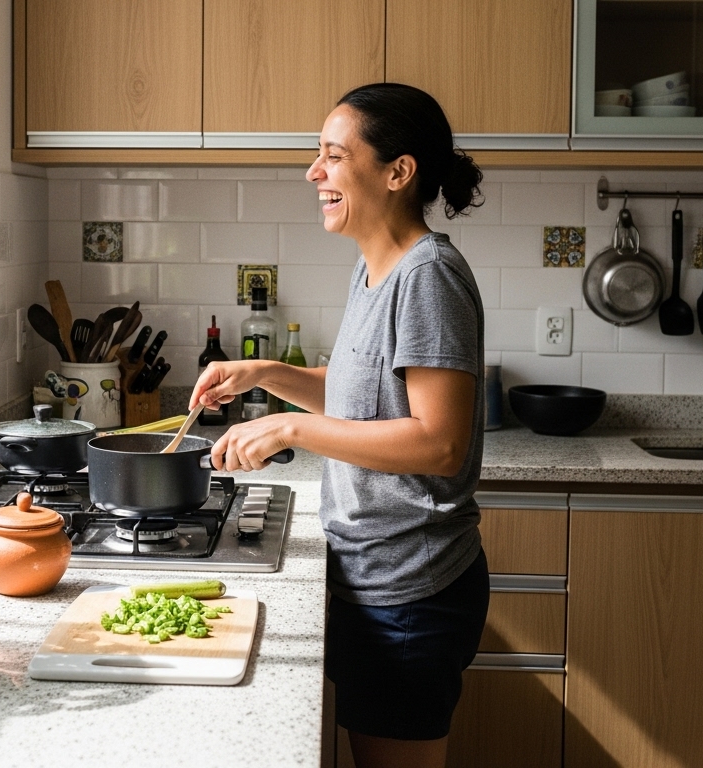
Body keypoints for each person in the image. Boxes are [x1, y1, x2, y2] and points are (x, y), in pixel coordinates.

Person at [188, 83, 489, 768]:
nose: (313, 173)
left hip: (412, 591)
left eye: (331, 156)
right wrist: (263, 375)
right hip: (372, 576)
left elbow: (438, 442)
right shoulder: (374, 270)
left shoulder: (428, 277)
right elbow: (360, 397)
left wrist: (289, 433)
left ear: (397, 171)